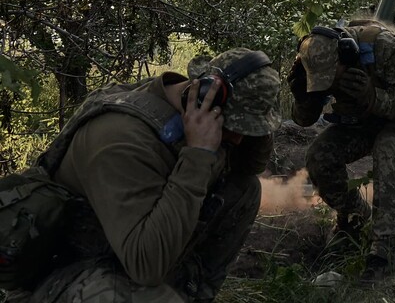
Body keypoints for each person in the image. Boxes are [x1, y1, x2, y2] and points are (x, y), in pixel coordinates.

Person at [7, 47, 281, 303]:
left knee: (244, 189)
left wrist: (252, 129)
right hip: (70, 270)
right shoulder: (121, 140)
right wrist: (198, 156)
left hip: (127, 249)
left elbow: (250, 167)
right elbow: (145, 266)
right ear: (200, 92)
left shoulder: (186, 106)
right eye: (235, 127)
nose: (237, 139)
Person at [287, 20, 395, 282]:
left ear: (347, 54)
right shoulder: (315, 64)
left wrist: (374, 97)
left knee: (387, 149)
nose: (329, 85)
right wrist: (301, 97)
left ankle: (384, 249)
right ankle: (355, 218)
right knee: (320, 156)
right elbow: (305, 120)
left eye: (334, 78)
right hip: (362, 119)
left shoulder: (386, 49)